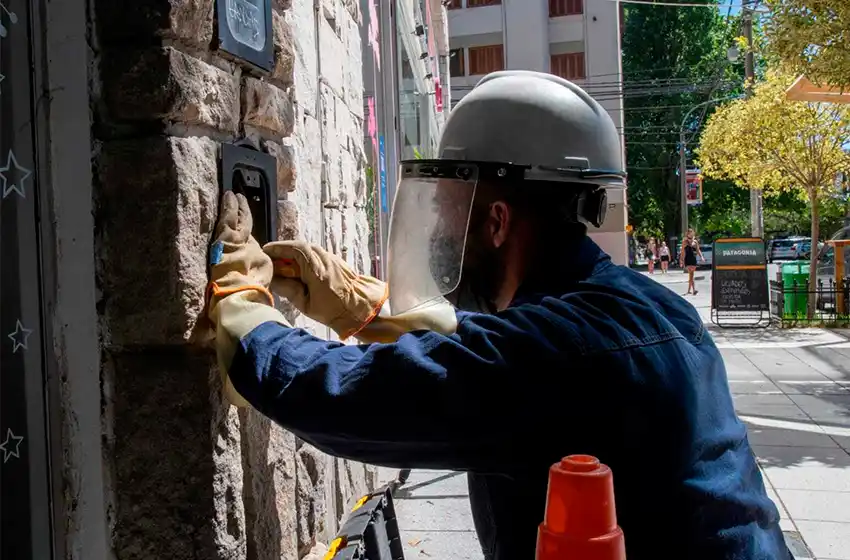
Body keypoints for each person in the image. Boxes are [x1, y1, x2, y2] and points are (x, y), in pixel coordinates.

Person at [207, 71, 790, 560]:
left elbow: (352, 399)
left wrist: (244, 313)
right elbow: (493, 345)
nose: (439, 231)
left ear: (496, 222)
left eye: (448, 212)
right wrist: (367, 308)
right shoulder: (650, 309)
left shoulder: (553, 356)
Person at [680, 229, 705, 295]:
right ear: (687, 234)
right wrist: (681, 260)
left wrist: (702, 257)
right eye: (689, 233)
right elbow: (682, 251)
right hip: (687, 259)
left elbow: (698, 250)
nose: (691, 234)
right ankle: (693, 290)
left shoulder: (695, 242)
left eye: (692, 233)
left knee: (691, 275)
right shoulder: (685, 241)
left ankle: (689, 290)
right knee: (691, 274)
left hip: (693, 259)